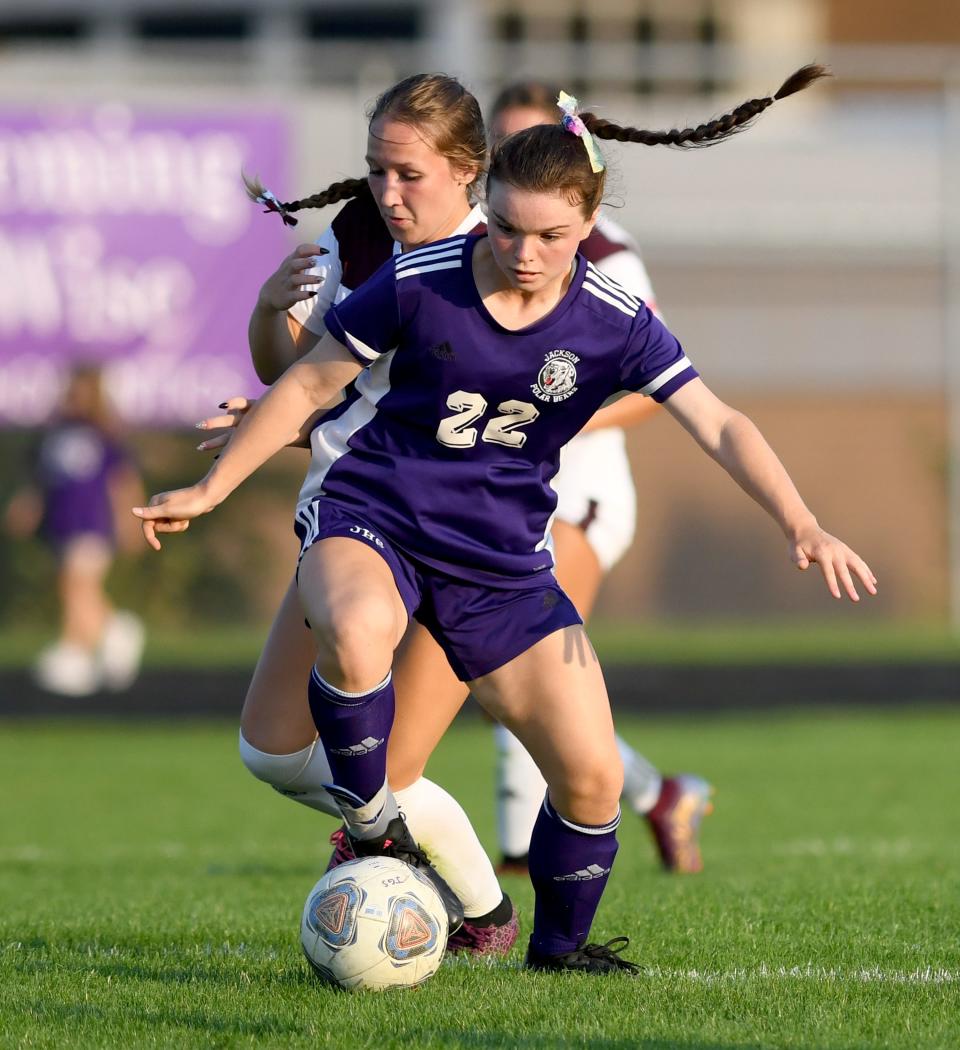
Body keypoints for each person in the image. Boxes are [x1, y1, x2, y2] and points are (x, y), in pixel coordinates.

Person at [136, 63, 876, 974]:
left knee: (595, 779)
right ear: (486, 206)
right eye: (511, 229)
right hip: (377, 515)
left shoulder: (614, 316)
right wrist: (211, 490)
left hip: (500, 561)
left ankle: (556, 954)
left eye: (553, 237)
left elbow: (718, 419)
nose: (527, 254)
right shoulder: (419, 279)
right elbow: (309, 383)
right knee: (360, 631)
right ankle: (375, 829)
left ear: (588, 229)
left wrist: (802, 522)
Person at [484, 80, 711, 876]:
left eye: (533, 137)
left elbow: (652, 390)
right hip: (495, 496)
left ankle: (518, 854)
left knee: (526, 667)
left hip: (578, 492)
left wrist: (560, 418)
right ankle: (657, 795)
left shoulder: (604, 253)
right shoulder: (477, 246)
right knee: (504, 684)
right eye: (502, 140)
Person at [4, 363, 145, 696]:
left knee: (76, 583)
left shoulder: (106, 435)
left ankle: (79, 648)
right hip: (62, 522)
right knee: (71, 587)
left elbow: (123, 483)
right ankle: (103, 638)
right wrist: (27, 507)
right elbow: (41, 478)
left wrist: (131, 520)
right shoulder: (54, 433)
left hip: (93, 521)